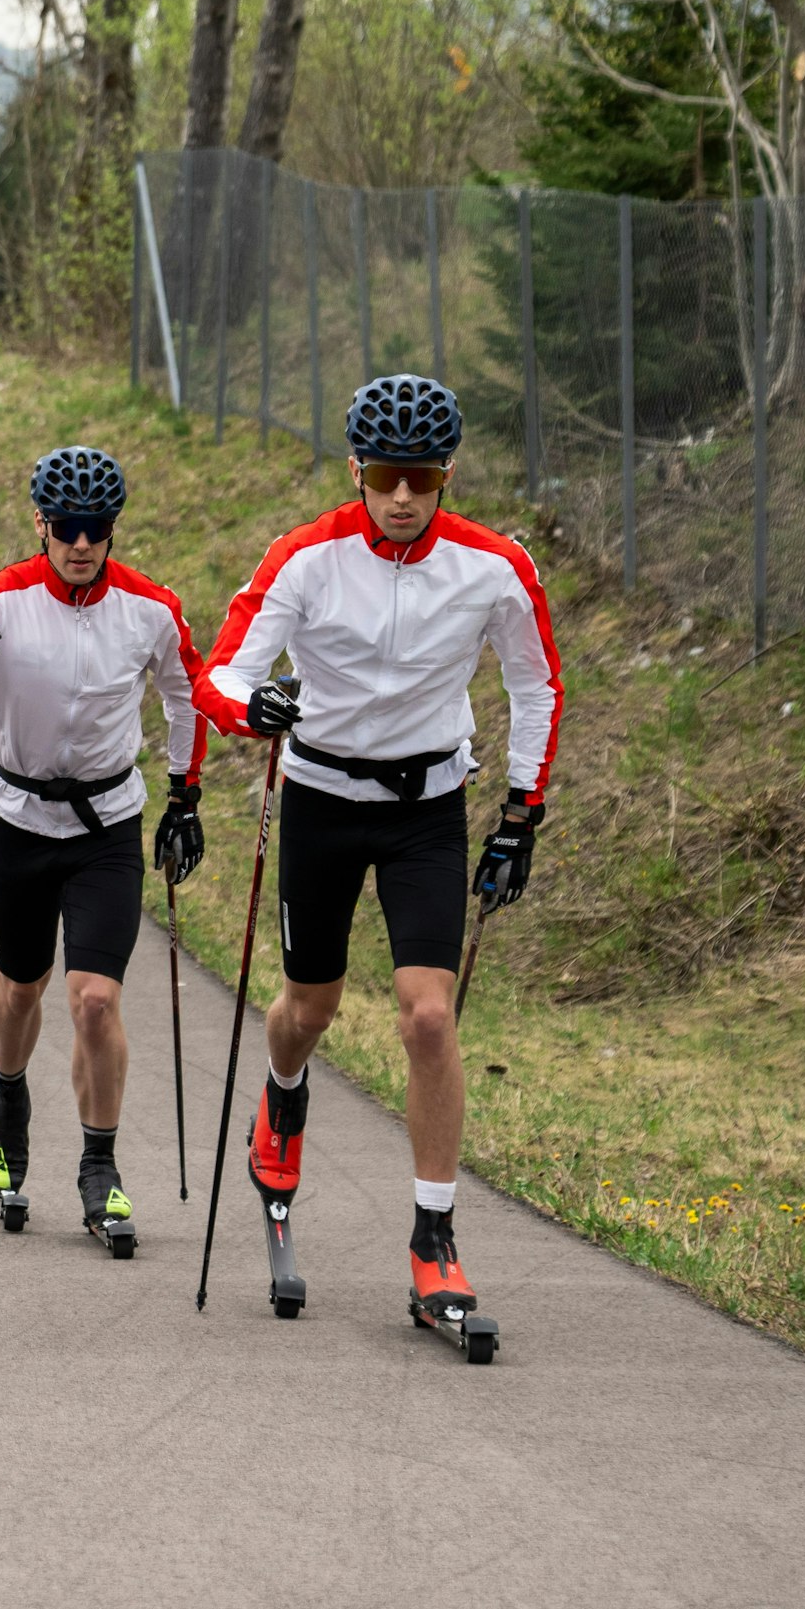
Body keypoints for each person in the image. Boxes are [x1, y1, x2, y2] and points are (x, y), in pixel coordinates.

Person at [195, 373, 562, 1329]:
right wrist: (252, 709)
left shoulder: (493, 568)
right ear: (357, 468)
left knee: (428, 1018)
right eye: (387, 475)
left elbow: (536, 684)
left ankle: (434, 1236)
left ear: (447, 474)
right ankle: (281, 1100)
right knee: (309, 1006)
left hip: (425, 808)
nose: (403, 496)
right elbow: (223, 673)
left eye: (424, 477)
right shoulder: (304, 559)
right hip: (320, 798)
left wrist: (522, 807)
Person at [0, 445, 204, 1254]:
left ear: (112, 530)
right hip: (21, 823)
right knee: (22, 989)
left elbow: (187, 696)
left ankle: (99, 1165)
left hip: (107, 828)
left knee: (95, 997)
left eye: (96, 529)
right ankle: (7, 1097)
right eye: (66, 527)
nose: (80, 544)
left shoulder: (149, 609)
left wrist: (185, 797)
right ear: (40, 523)